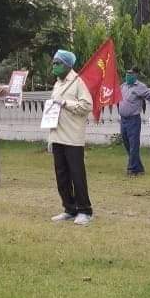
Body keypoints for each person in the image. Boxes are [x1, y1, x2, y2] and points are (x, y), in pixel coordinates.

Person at [47, 49, 94, 226]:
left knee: (77, 174)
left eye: (57, 63)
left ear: (67, 65)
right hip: (57, 135)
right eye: (53, 63)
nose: (54, 66)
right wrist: (50, 137)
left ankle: (85, 210)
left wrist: (66, 103)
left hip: (73, 136)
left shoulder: (77, 82)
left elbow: (87, 105)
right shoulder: (58, 84)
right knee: (61, 176)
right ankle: (69, 207)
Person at [118, 67, 150, 176]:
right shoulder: (123, 86)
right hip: (123, 119)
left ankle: (132, 169)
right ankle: (139, 168)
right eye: (127, 73)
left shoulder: (140, 87)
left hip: (133, 120)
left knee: (133, 145)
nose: (128, 75)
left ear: (136, 75)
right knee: (127, 143)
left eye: (131, 74)